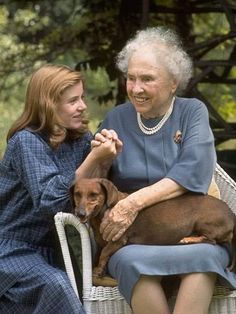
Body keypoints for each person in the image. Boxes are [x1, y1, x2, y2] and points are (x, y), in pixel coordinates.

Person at [93, 27, 236, 314]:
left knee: (205, 258)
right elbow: (91, 185)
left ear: (173, 83)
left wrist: (133, 202)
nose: (136, 88)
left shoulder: (192, 111)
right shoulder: (116, 117)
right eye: (131, 78)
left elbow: (194, 170)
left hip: (192, 230)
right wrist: (101, 159)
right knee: (130, 261)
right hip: (134, 238)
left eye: (147, 79)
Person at [0, 64, 120, 313]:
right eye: (72, 100)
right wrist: (93, 159)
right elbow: (51, 201)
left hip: (56, 250)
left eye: (82, 98)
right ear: (48, 105)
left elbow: (89, 196)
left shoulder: (79, 139)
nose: (82, 106)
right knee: (56, 286)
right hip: (12, 250)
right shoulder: (26, 142)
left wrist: (105, 161)